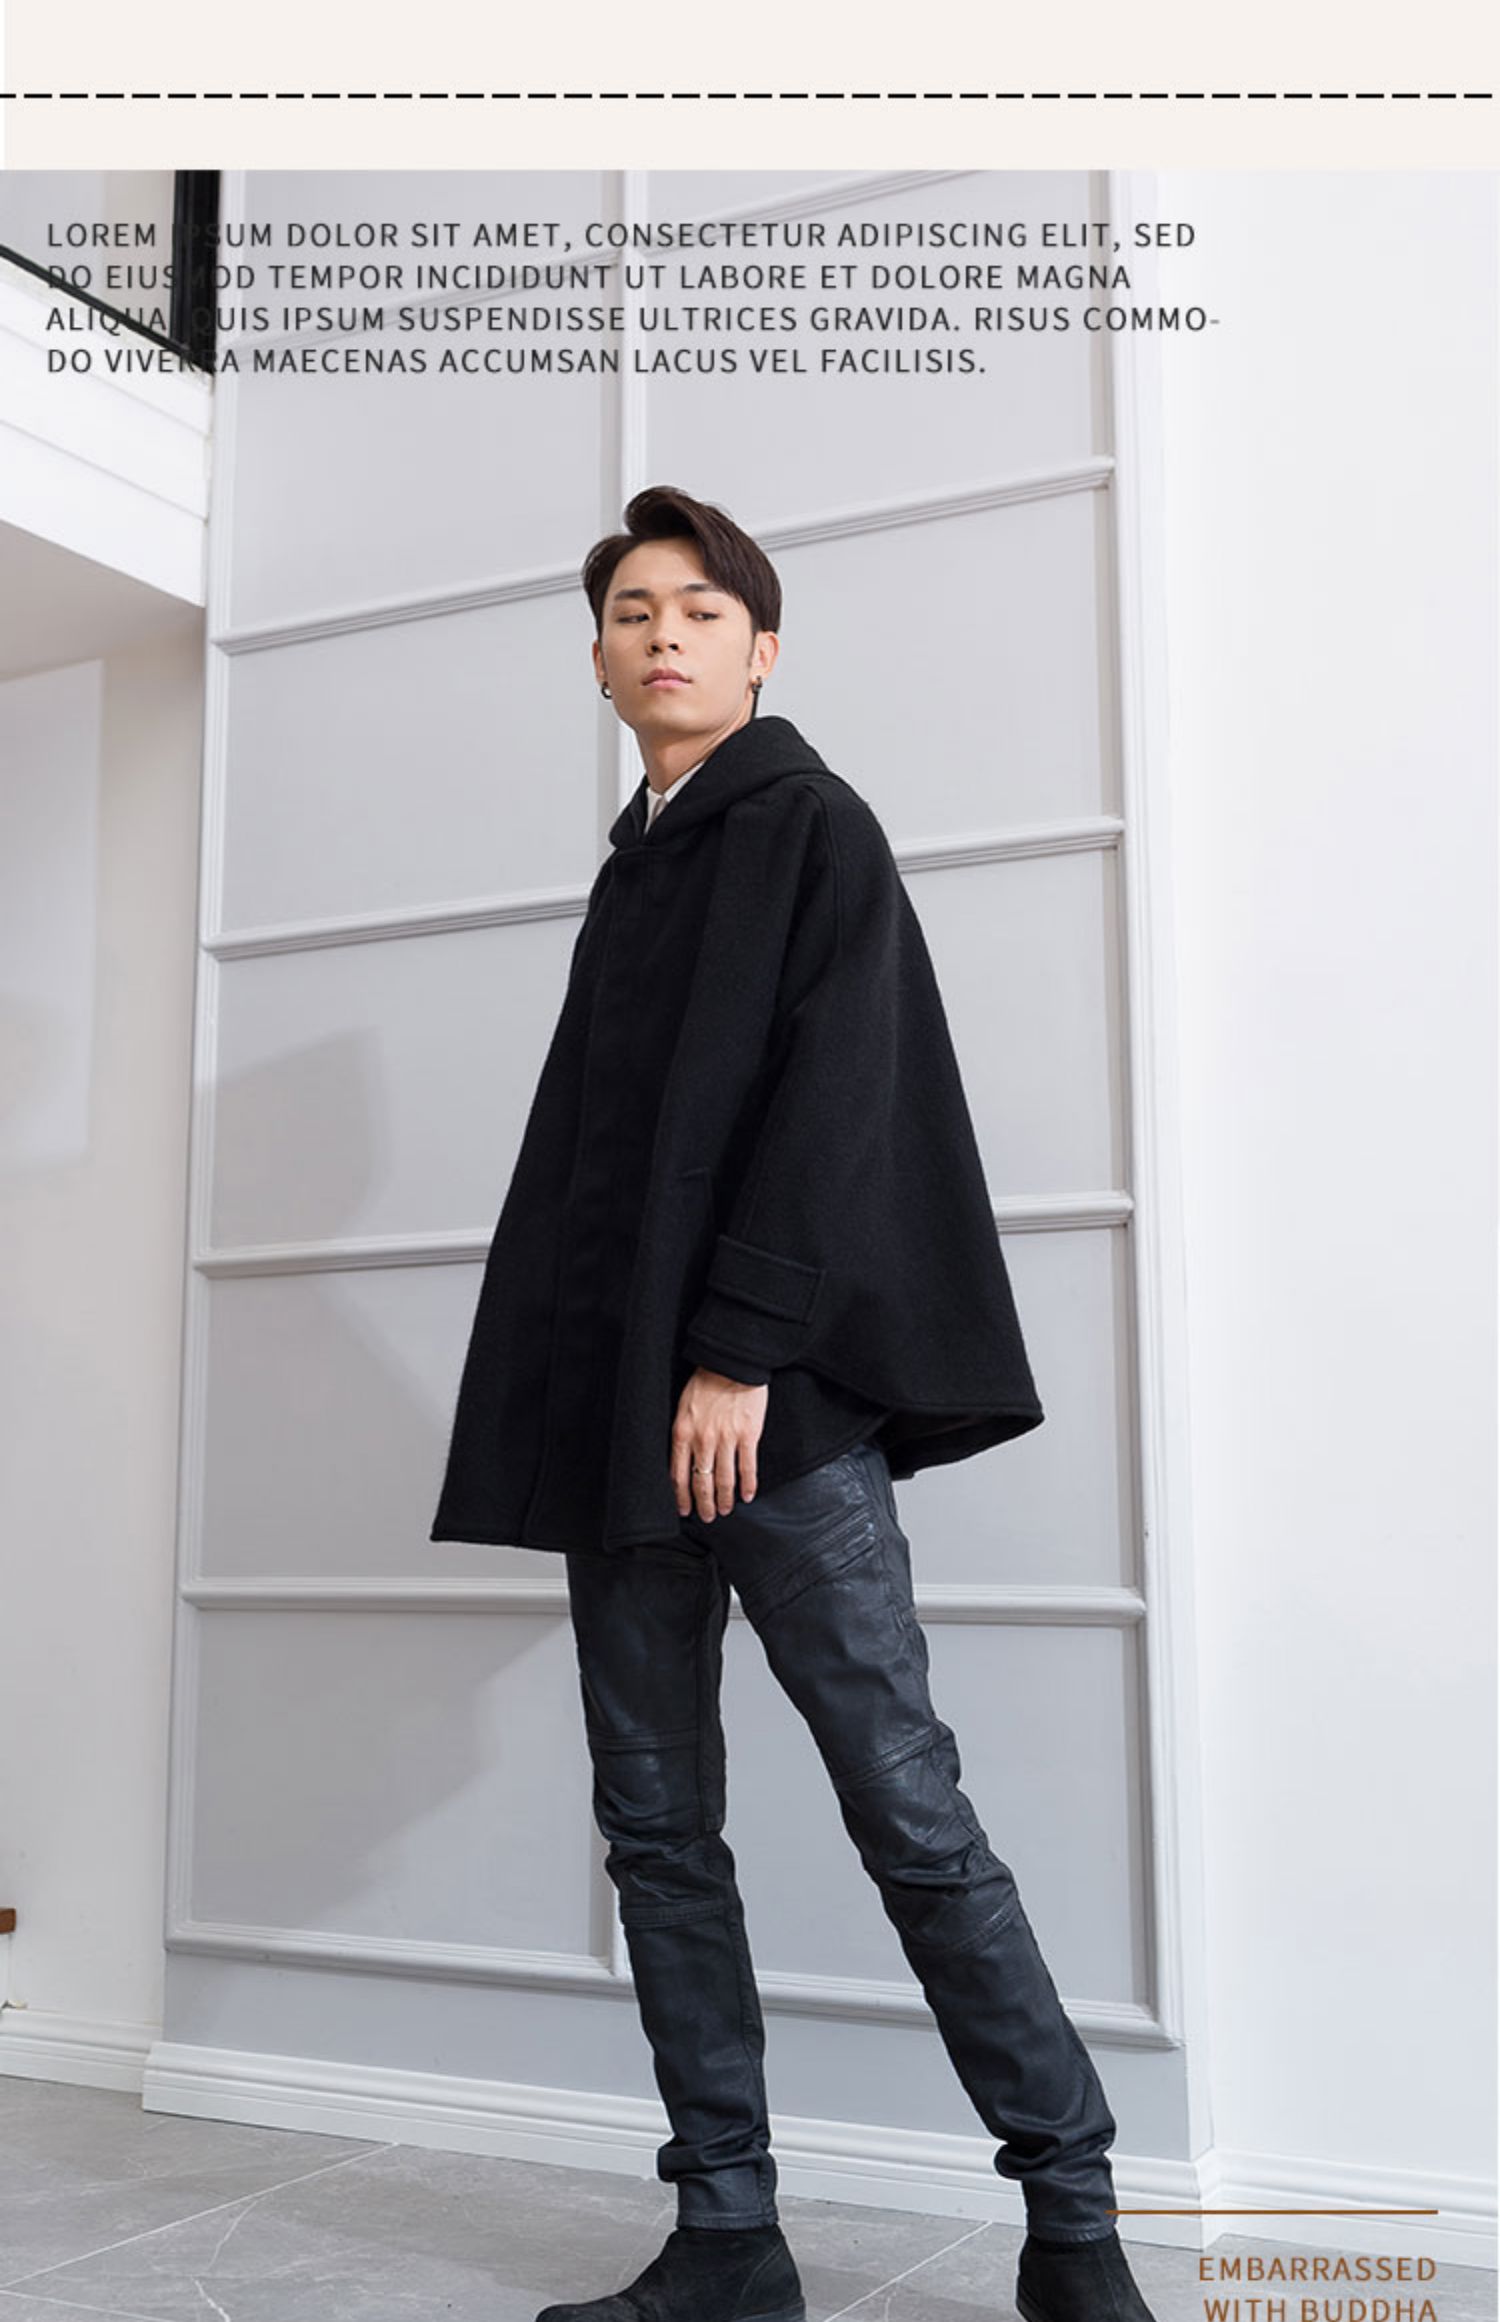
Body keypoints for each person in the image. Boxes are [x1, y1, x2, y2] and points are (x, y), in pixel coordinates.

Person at [430, 485, 1157, 2322]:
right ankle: (729, 2236)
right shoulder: (640, 866)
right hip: (626, 1432)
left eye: (697, 609)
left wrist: (741, 1353)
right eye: (630, 613)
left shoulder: (813, 827)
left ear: (761, 647)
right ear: (601, 664)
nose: (661, 634)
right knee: (658, 1829)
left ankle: (1075, 2228)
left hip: (776, 1421)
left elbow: (842, 1101)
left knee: (909, 1810)